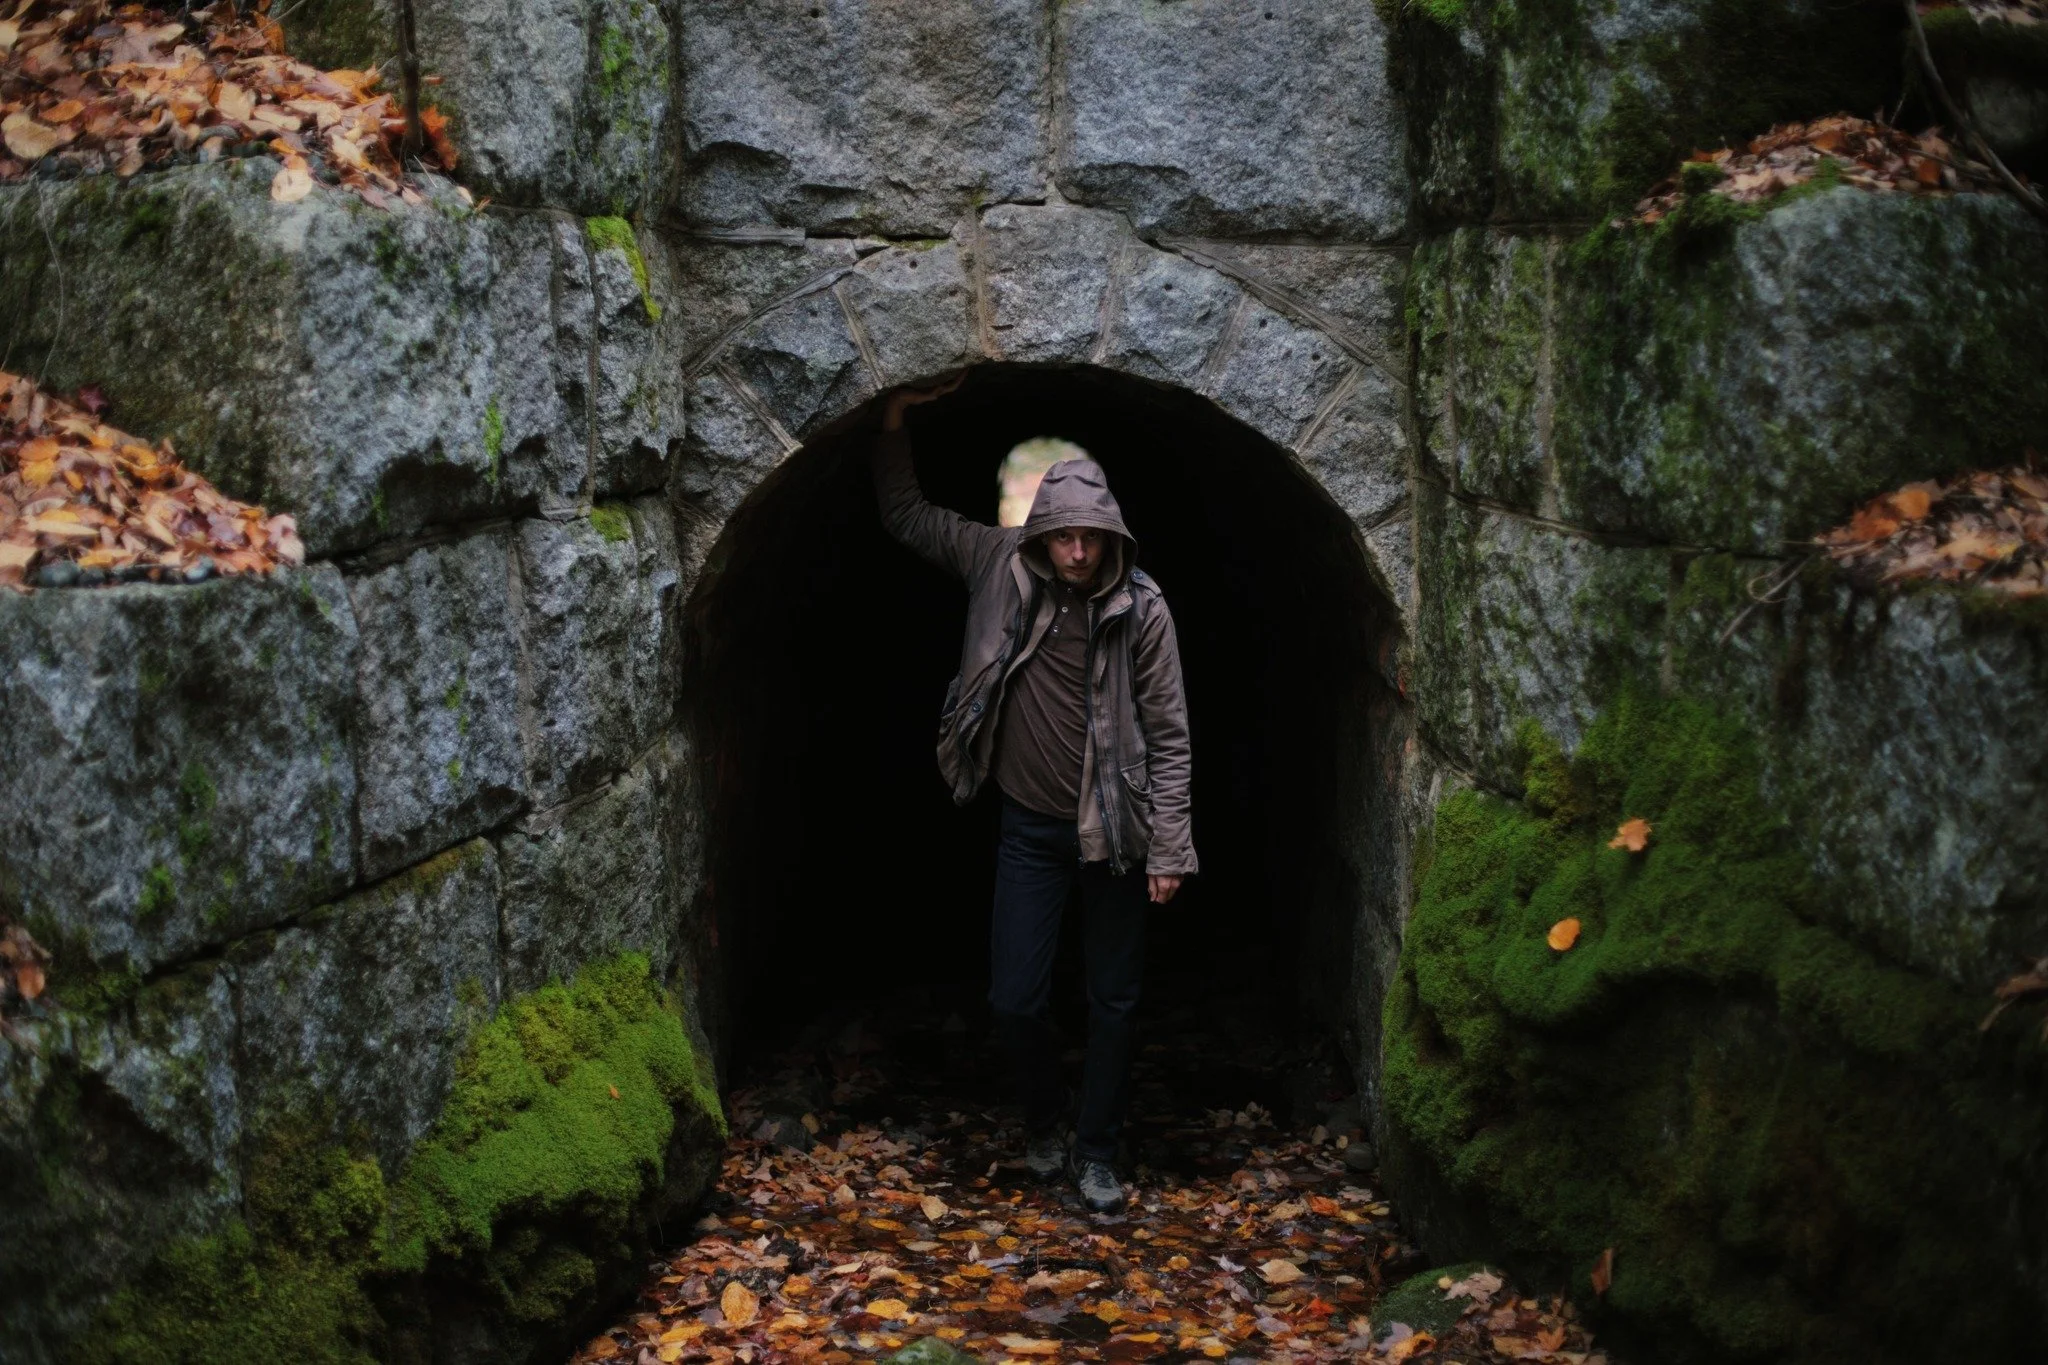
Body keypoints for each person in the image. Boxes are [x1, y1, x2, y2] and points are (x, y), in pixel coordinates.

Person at [872, 377, 1197, 1213]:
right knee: (1014, 998)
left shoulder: (1144, 608)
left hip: (1116, 831)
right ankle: (1045, 1122)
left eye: (1091, 537)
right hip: (1028, 826)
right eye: (1064, 537)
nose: (1078, 552)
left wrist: (1171, 845)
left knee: (1114, 1001)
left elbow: (1169, 734)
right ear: (1042, 532)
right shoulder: (998, 562)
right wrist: (895, 419)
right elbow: (907, 515)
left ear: (1111, 533)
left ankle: (1097, 1152)